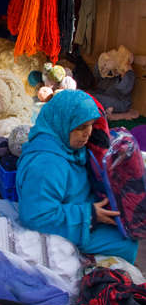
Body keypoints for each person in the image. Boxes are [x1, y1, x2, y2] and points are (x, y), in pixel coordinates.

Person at [16, 89, 138, 264]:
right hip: (65, 222)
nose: (87, 133)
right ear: (63, 122)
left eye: (90, 125)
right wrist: (89, 215)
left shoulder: (66, 146)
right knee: (127, 244)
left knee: (128, 229)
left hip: (76, 209)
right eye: (80, 127)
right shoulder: (48, 164)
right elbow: (36, 216)